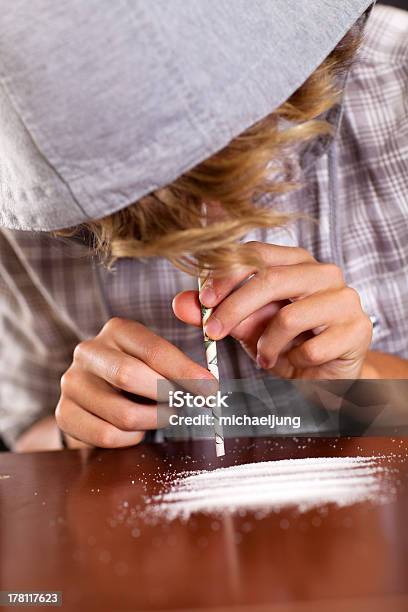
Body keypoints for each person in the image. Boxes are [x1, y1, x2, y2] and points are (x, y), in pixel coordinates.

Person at [0, 1, 407, 452]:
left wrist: (361, 387)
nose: (210, 223)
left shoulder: (398, 85)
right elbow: (28, 436)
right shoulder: (27, 196)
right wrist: (78, 430)